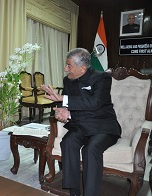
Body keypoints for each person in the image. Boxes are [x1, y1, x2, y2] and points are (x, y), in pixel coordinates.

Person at [41, 48, 121, 196]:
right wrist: (63, 111)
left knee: (90, 149)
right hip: (80, 124)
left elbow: (94, 103)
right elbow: (69, 105)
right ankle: (74, 191)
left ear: (83, 68)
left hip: (103, 127)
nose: (65, 69)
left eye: (69, 66)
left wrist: (62, 99)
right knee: (68, 142)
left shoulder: (102, 78)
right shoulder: (68, 80)